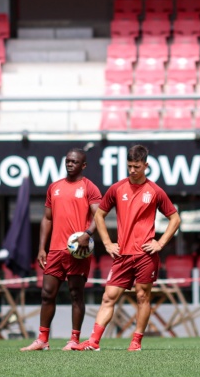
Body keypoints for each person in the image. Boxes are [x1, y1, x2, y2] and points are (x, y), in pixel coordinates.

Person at [73, 145, 181, 351]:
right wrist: (107, 243)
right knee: (108, 297)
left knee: (142, 296)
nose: (132, 170)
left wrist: (160, 243)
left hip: (145, 255)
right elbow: (99, 215)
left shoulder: (155, 191)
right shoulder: (117, 188)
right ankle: (94, 341)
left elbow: (175, 219)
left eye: (137, 166)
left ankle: (136, 342)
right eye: (130, 166)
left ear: (146, 166)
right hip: (122, 254)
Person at [22, 149, 102, 352]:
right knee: (47, 294)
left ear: (83, 165)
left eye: (74, 162)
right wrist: (42, 248)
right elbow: (47, 218)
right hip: (56, 250)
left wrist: (87, 234)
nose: (70, 164)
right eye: (67, 161)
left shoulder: (89, 188)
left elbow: (98, 216)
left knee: (76, 294)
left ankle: (74, 340)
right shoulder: (54, 187)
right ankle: (42, 340)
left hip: (77, 251)